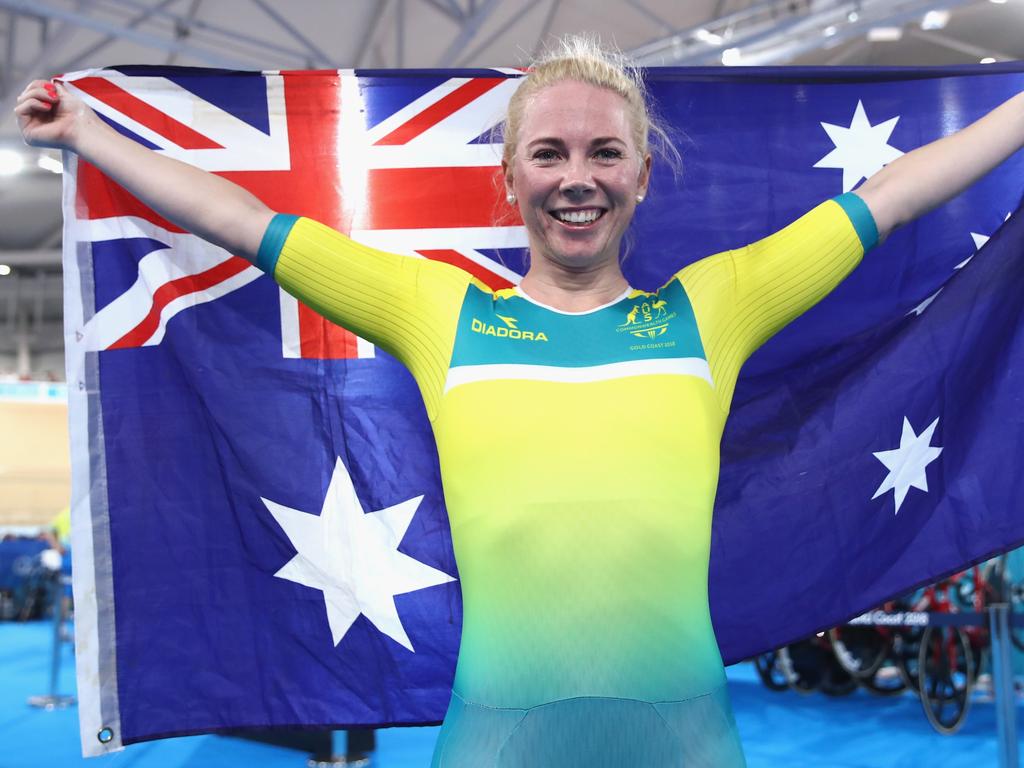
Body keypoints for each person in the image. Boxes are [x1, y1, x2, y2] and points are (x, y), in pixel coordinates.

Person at [16, 36, 1024, 767]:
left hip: (685, 740)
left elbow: (890, 195)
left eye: (601, 154)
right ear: (508, 176)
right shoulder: (437, 311)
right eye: (548, 154)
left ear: (640, 175)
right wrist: (90, 136)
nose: (575, 178)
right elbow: (243, 220)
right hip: (497, 740)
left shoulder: (713, 306)